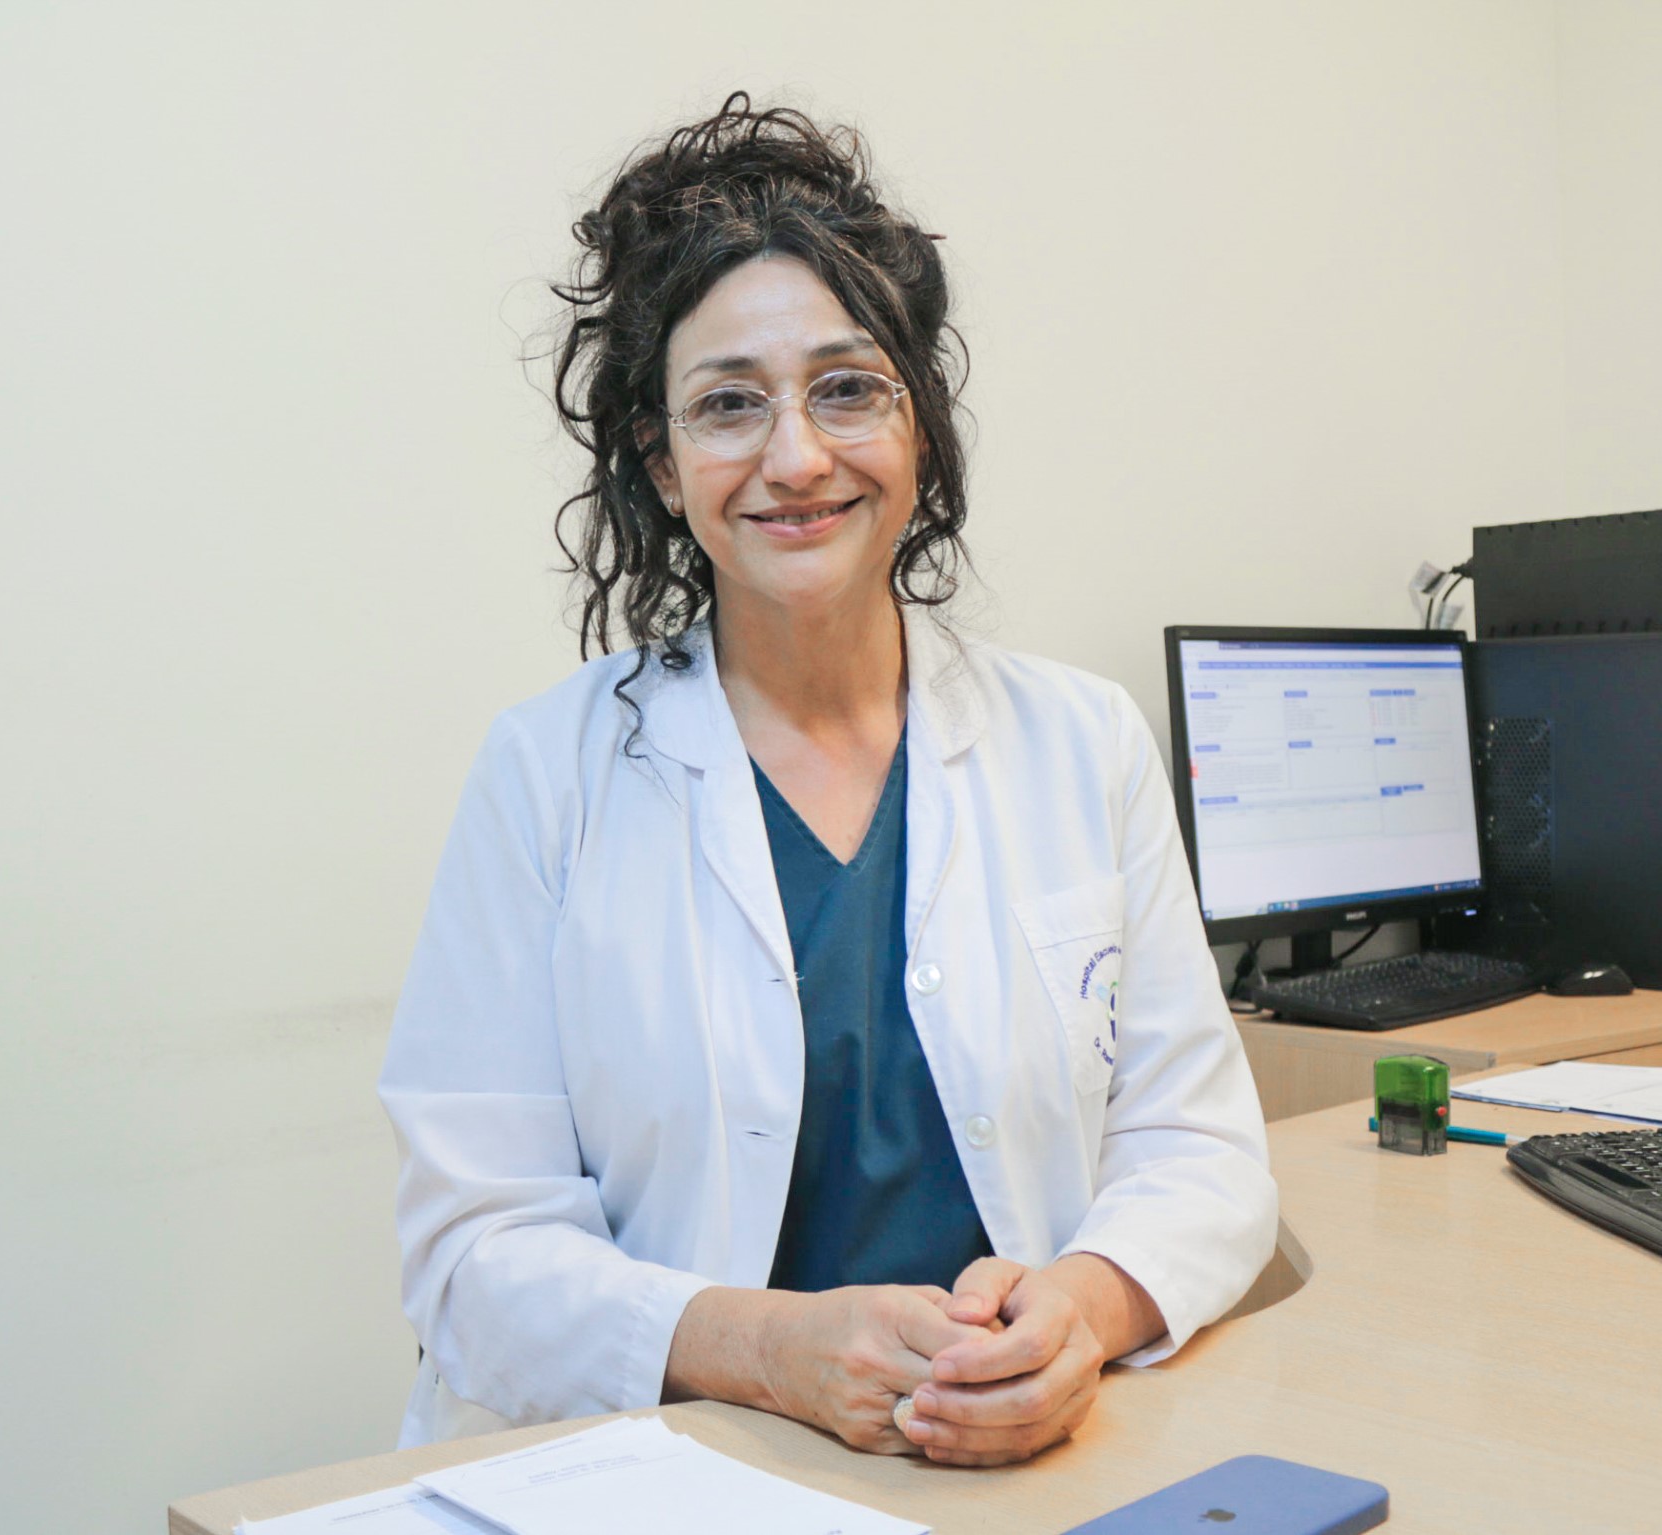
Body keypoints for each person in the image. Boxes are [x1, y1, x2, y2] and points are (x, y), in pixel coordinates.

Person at [378, 94, 1277, 1466]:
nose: (797, 458)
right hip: (680, 1476)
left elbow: (1201, 1149)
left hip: (1011, 1469)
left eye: (847, 389)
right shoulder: (545, 776)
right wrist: (763, 1349)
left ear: (919, 428)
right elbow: (469, 1255)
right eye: (728, 405)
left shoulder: (1082, 742)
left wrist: (1086, 1311)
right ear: (661, 467)